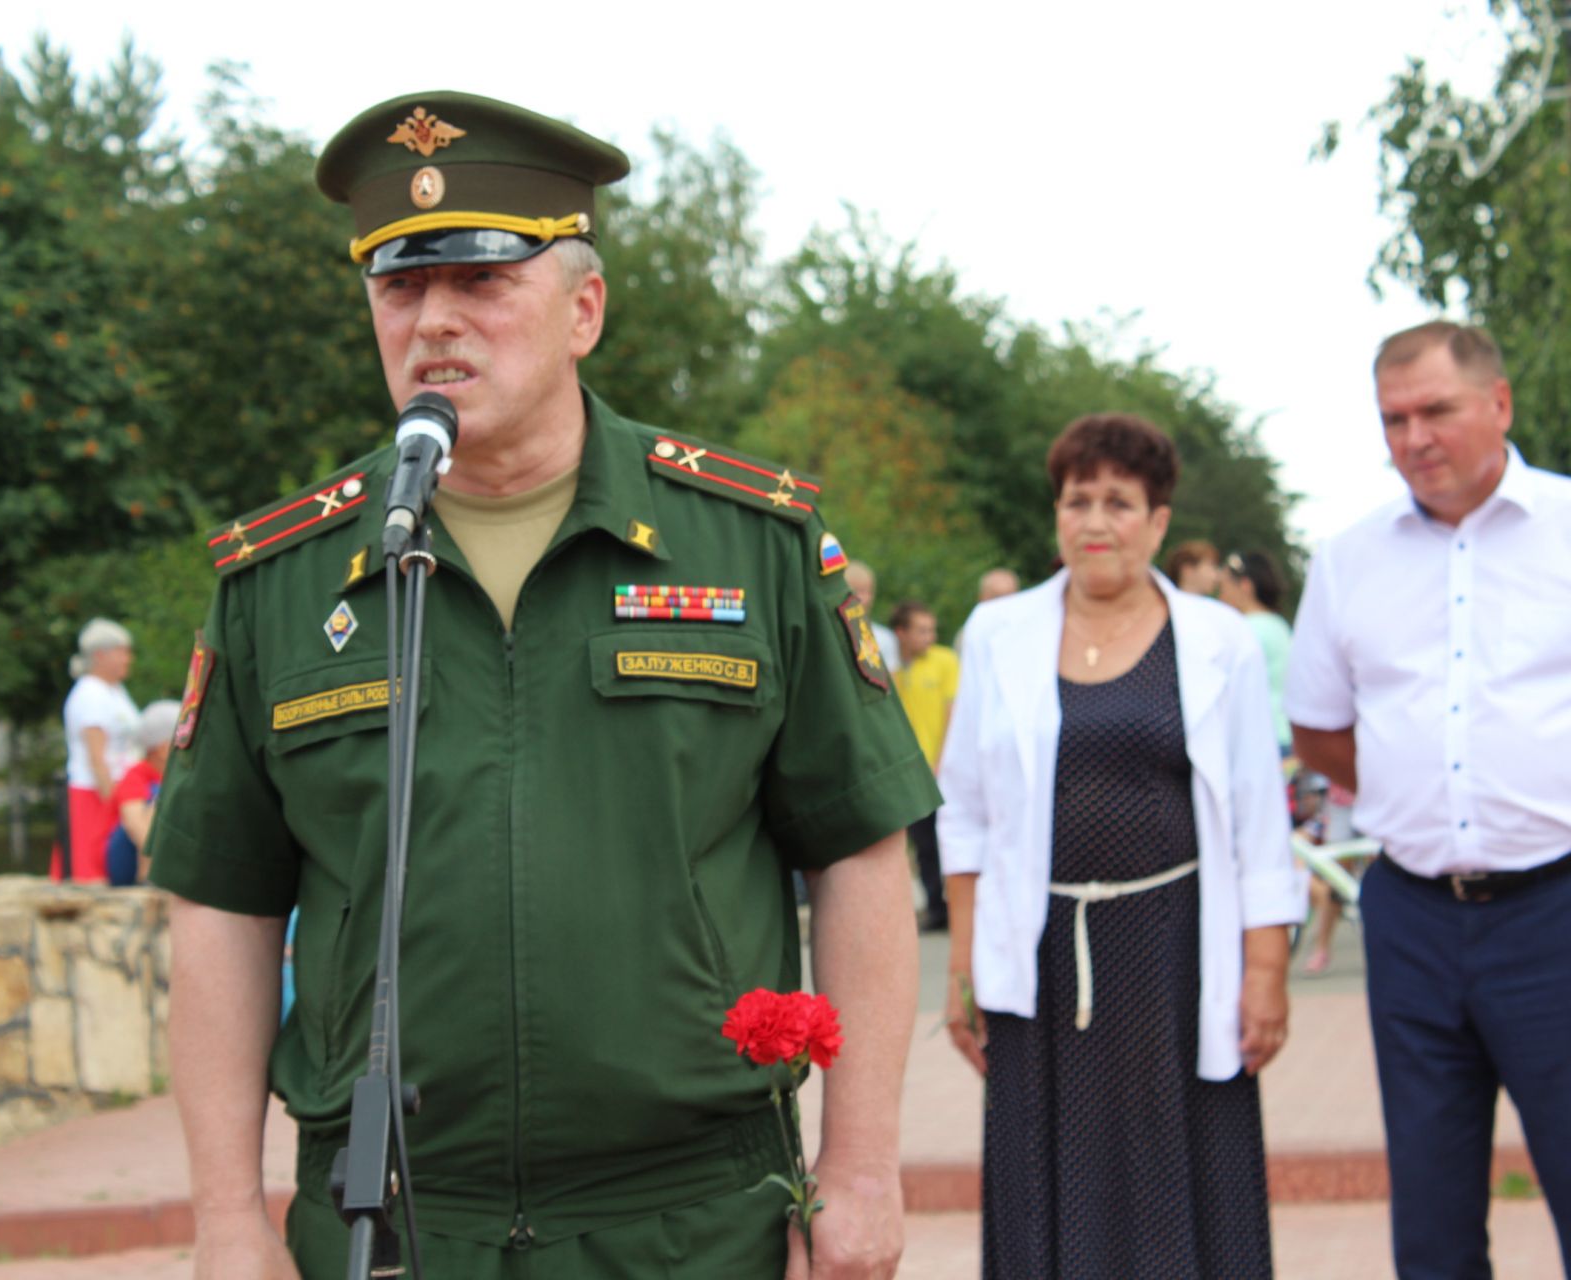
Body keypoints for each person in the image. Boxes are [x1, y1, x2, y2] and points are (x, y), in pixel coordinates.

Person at [146, 91, 938, 1280]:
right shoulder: (284, 578)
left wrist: (862, 1165)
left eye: (483, 280)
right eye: (399, 288)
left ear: (585, 308)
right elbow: (222, 905)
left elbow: (861, 851)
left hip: (691, 1220)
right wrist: (222, 1214)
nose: (434, 323)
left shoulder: (749, 544)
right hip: (394, 1222)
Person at [1287, 321, 1571, 1280]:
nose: (1414, 439)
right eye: (1393, 419)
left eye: (1436, 411)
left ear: (1500, 404)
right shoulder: (1348, 561)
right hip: (1411, 919)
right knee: (1432, 1233)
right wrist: (1422, 796)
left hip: (1565, 912)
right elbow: (1319, 732)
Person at [938, 412, 1305, 1279]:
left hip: (1177, 952)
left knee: (1185, 1173)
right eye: (1077, 501)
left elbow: (1259, 820)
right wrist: (964, 969)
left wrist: (1265, 975)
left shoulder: (1219, 641)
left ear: (1159, 520)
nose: (1095, 522)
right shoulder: (997, 634)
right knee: (1047, 1180)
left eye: (1119, 503)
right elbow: (964, 812)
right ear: (1055, 513)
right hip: (1041, 952)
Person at [889, 601, 960, 931]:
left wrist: (941, 762)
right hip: (910, 774)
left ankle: (960, 907)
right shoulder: (894, 669)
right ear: (901, 633)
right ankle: (936, 907)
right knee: (925, 846)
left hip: (943, 770)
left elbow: (952, 714)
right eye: (921, 630)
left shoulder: (945, 661)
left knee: (953, 842)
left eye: (931, 629)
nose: (929, 636)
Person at [58, 618, 139, 883]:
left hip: (115, 789)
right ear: (101, 655)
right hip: (95, 794)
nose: (128, 659)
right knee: (94, 871)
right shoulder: (90, 695)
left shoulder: (114, 690)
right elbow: (97, 758)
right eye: (122, 651)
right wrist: (114, 805)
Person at [1218, 551, 1292, 757]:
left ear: (1245, 586)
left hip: (1260, 739)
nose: (1220, 596)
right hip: (1282, 732)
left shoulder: (1247, 629)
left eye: (1224, 587)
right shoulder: (1278, 624)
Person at [104, 700, 180, 887]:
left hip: (160, 854)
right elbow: (133, 823)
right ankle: (148, 875)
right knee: (161, 798)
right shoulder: (137, 775)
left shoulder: (175, 776)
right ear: (163, 749)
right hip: (127, 860)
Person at [844, 559, 900, 670]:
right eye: (856, 591)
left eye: (867, 591)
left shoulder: (885, 638)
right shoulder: (829, 634)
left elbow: (891, 681)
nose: (863, 599)